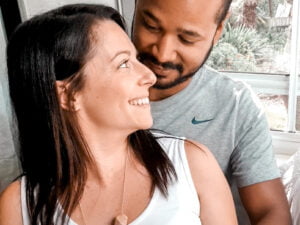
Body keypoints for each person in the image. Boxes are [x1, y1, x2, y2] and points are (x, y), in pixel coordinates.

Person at [0, 4, 237, 225]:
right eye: (124, 63)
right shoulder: (19, 205)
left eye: (135, 58)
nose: (149, 76)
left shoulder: (194, 165)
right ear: (69, 94)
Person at [131, 0, 291, 224]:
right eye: (151, 26)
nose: (163, 54)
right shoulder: (91, 92)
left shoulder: (235, 105)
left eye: (187, 38)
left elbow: (272, 212)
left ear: (218, 30)